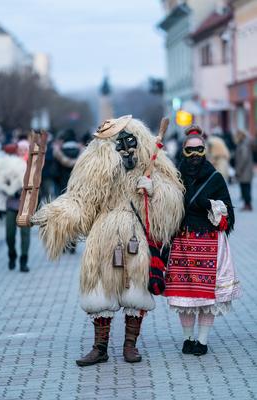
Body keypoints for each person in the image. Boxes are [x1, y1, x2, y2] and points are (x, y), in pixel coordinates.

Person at [31, 115, 184, 366]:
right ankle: (100, 347)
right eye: (118, 144)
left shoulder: (153, 161)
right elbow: (79, 200)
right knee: (99, 288)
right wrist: (50, 216)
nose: (125, 149)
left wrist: (154, 188)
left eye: (129, 142)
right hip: (103, 236)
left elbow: (174, 199)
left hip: (135, 235)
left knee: (136, 289)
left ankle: (130, 346)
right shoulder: (95, 168)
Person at [164, 125, 241, 356]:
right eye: (190, 151)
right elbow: (164, 206)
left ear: (205, 150)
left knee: (208, 295)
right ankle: (188, 340)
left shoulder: (215, 178)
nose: (195, 155)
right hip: (182, 240)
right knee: (184, 293)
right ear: (183, 151)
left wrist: (209, 205)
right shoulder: (174, 178)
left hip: (210, 242)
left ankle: (203, 341)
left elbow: (228, 213)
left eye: (199, 150)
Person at [0, 140, 30, 271]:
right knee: (9, 235)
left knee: (25, 234)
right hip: (10, 204)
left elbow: (37, 187)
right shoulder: (7, 164)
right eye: (20, 149)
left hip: (25, 205)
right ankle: (12, 255)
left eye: (25, 149)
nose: (22, 152)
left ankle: (23, 260)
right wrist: (6, 185)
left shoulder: (32, 164)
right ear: (17, 150)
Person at [235, 130, 254, 211]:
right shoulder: (244, 143)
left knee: (245, 188)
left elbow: (243, 158)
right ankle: (247, 204)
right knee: (246, 187)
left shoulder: (243, 145)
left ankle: (248, 205)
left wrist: (239, 169)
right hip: (246, 171)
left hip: (244, 171)